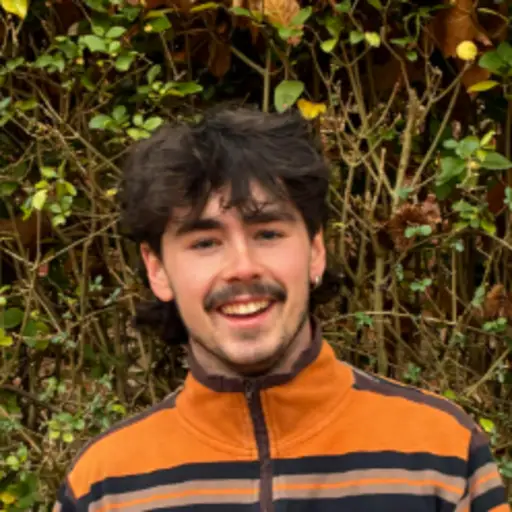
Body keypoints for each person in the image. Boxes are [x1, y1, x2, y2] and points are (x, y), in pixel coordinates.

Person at [53, 106, 508, 512]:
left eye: (268, 234)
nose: (242, 268)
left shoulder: (441, 455)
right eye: (205, 242)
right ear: (158, 270)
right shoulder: (104, 487)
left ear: (315, 251)